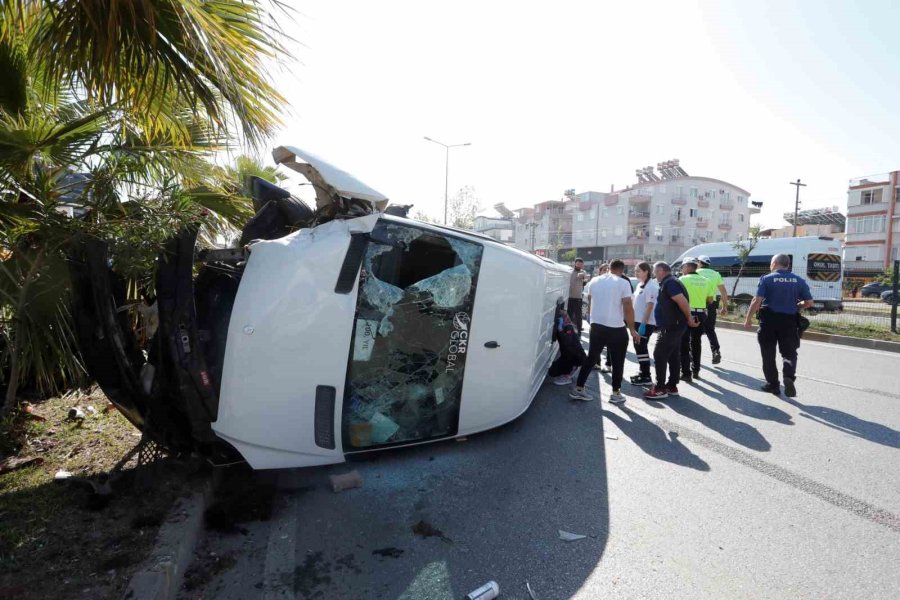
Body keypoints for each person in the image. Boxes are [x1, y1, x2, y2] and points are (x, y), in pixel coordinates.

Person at [743, 253, 813, 397]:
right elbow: (809, 302)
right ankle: (788, 376)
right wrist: (798, 305)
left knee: (768, 354)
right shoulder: (798, 280)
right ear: (788, 265)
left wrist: (748, 318)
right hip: (789, 321)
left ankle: (773, 385)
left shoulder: (767, 279)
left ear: (774, 263)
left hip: (768, 320)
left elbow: (757, 300)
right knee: (789, 352)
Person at [570, 259, 639, 405]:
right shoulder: (623, 283)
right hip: (616, 328)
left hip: (597, 326)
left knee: (592, 358)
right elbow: (627, 306)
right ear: (622, 270)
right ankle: (615, 393)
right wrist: (632, 329)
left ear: (609, 268)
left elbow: (588, 298)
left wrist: (591, 316)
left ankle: (579, 388)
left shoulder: (595, 281)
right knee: (617, 361)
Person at [644, 262, 699, 400]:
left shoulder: (670, 283)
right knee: (673, 355)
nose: (654, 275)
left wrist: (689, 318)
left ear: (662, 270)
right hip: (674, 325)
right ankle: (672, 385)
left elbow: (682, 302)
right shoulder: (671, 282)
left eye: (655, 272)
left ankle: (660, 388)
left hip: (671, 326)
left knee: (659, 354)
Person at [678, 257, 716, 382]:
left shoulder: (682, 280)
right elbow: (710, 300)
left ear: (688, 267)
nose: (682, 269)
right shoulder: (706, 281)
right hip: (701, 314)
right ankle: (696, 370)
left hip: (685, 313)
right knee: (696, 342)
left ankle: (686, 373)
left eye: (683, 266)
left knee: (683, 343)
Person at [629, 262, 658, 385]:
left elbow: (650, 306)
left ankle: (646, 376)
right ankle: (643, 372)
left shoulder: (651, 286)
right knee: (639, 347)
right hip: (637, 321)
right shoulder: (640, 285)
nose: (636, 273)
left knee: (641, 347)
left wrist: (643, 324)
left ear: (646, 271)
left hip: (645, 323)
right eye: (635, 271)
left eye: (638, 271)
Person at [696, 255, 729, 364]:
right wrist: (724, 307)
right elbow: (723, 292)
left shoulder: (695, 272)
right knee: (710, 330)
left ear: (700, 263)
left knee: (695, 332)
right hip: (711, 304)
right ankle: (716, 351)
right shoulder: (716, 274)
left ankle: (693, 358)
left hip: (697, 303)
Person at [567, 258, 588, 334]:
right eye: (578, 264)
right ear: (575, 263)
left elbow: (584, 278)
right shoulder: (569, 272)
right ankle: (569, 331)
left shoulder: (583, 272)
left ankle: (579, 332)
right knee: (569, 315)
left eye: (581, 264)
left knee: (578, 315)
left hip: (578, 298)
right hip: (569, 297)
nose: (579, 266)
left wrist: (584, 279)